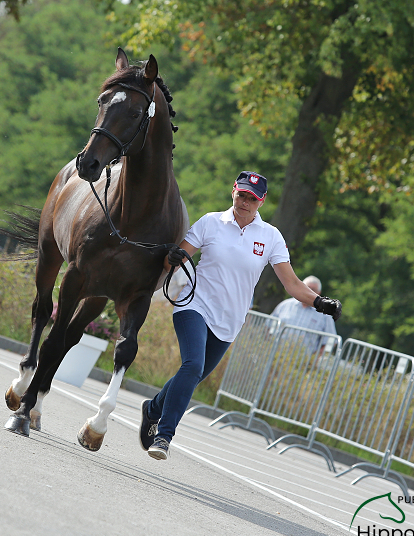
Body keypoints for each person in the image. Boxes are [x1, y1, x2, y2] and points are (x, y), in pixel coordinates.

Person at [140, 171, 342, 460]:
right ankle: (164, 436)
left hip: (229, 321)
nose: (245, 202)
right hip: (194, 306)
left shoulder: (270, 236)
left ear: (262, 201)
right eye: (241, 194)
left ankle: (153, 409)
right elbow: (177, 257)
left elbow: (292, 283)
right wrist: (173, 258)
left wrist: (320, 302)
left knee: (192, 375)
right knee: (193, 365)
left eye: (252, 198)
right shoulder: (211, 222)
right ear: (233, 190)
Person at [270, 275, 337, 354]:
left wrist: (315, 359)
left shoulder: (325, 315)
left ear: (319, 293)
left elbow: (331, 340)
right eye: (307, 288)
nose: (309, 291)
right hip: (276, 354)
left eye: (313, 290)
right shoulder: (285, 305)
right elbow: (269, 326)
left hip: (303, 361)